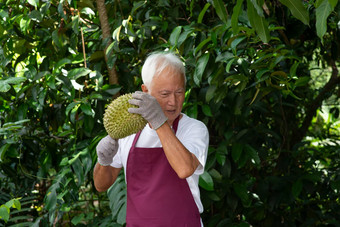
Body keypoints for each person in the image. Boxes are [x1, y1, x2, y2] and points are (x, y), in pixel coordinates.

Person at [93, 51, 209, 227]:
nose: (173, 102)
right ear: (145, 91)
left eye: (179, 92)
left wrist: (158, 121)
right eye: (164, 94)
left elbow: (185, 168)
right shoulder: (129, 130)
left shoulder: (193, 128)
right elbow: (101, 185)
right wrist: (103, 160)